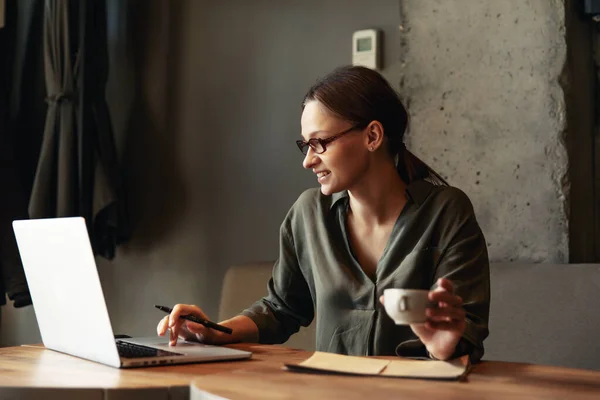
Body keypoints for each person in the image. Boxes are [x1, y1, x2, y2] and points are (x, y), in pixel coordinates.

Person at [157, 65, 490, 361]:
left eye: (320, 143)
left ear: (372, 136)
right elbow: (281, 309)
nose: (307, 160)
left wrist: (443, 347)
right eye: (305, 145)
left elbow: (466, 329)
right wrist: (214, 331)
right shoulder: (308, 214)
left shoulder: (447, 212)